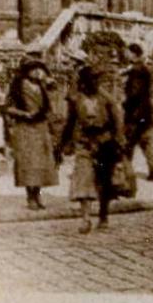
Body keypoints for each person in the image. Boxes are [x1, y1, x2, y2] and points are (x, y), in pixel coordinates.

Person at [57, 65, 125, 234]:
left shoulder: (107, 99)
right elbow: (70, 122)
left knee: (104, 182)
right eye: (91, 80)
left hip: (104, 142)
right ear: (84, 82)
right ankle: (85, 218)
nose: (95, 83)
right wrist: (62, 145)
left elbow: (117, 123)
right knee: (83, 178)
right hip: (84, 142)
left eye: (97, 80)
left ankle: (103, 215)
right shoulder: (76, 99)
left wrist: (118, 143)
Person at [4, 58, 58, 210]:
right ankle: (30, 197)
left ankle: (38, 194)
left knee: (41, 164)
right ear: (26, 72)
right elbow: (7, 107)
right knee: (28, 164)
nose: (37, 72)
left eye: (39, 69)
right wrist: (24, 114)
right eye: (33, 69)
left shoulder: (41, 87)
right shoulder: (17, 87)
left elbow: (51, 106)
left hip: (41, 127)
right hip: (25, 128)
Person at [122, 45, 153, 182]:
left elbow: (134, 93)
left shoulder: (136, 71)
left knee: (127, 145)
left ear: (134, 54)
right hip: (145, 113)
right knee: (146, 144)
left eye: (128, 52)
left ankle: (127, 175)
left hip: (134, 115)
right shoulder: (144, 69)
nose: (125, 54)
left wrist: (125, 102)